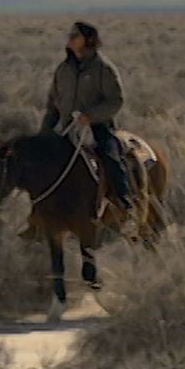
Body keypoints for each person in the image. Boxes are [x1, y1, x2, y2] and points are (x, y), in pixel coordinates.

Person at [41, 20, 133, 220]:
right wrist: (44, 133)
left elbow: (115, 101)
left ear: (89, 40)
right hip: (66, 128)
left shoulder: (103, 69)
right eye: (70, 36)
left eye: (75, 36)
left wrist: (91, 116)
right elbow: (52, 104)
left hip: (97, 128)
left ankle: (125, 207)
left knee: (111, 159)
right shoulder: (63, 70)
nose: (70, 39)